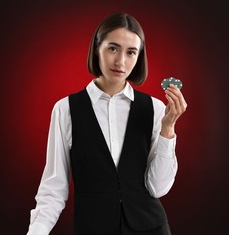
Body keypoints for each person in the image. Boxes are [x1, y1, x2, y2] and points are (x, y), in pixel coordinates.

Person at [27, 12, 187, 235]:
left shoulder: (156, 109)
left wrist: (167, 129)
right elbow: (53, 189)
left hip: (151, 228)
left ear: (138, 57)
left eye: (131, 52)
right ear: (96, 48)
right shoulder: (66, 110)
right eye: (113, 48)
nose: (120, 61)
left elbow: (157, 188)